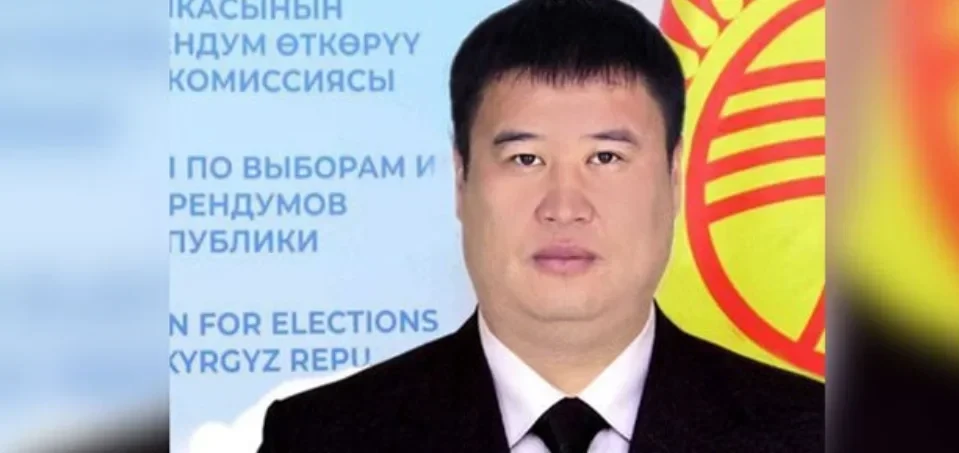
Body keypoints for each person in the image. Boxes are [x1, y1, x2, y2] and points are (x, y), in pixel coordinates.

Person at [257, 0, 824, 452]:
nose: (564, 206)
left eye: (606, 158)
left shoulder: (811, 432)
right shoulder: (321, 437)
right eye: (525, 159)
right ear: (461, 178)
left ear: (674, 178)